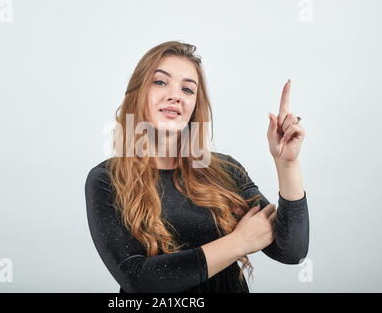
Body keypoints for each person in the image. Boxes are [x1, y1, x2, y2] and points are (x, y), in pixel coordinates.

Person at [84, 41, 309, 293]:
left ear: (194, 106)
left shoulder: (224, 170)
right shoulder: (106, 179)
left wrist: (287, 164)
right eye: (160, 82)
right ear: (138, 93)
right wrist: (239, 242)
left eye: (188, 89)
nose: (175, 95)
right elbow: (138, 279)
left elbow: (291, 251)